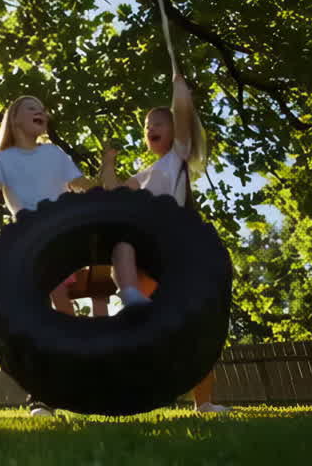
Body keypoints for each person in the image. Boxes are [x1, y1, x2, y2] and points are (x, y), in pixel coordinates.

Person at [0, 95, 137, 415]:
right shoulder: (3, 160)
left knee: (72, 306)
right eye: (32, 107)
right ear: (14, 118)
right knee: (48, 314)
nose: (41, 111)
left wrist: (108, 167)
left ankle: (94, 376)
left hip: (65, 237)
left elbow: (89, 189)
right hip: (28, 243)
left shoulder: (54, 153)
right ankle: (44, 394)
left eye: (42, 109)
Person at [102, 73, 229, 414]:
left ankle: (204, 402)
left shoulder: (178, 158)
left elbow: (185, 118)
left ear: (174, 131)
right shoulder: (145, 173)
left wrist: (179, 91)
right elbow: (112, 193)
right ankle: (129, 296)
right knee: (148, 327)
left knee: (190, 329)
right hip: (148, 252)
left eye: (158, 122)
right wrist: (108, 165)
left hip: (173, 247)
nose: (150, 127)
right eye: (146, 125)